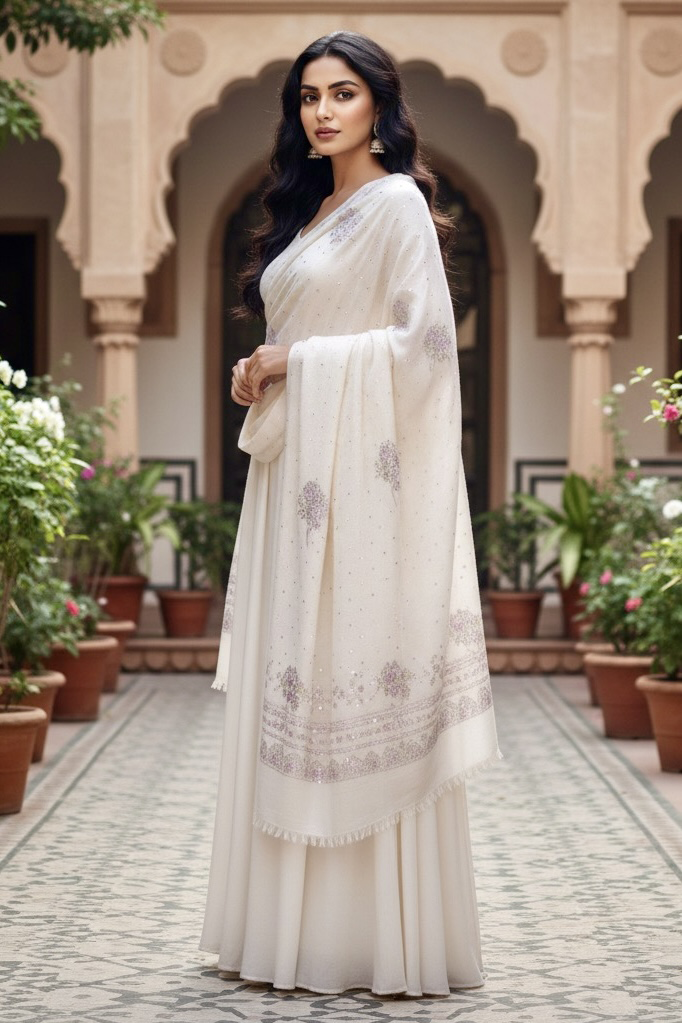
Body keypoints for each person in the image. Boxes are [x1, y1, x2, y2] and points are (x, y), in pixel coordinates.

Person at [200, 30, 500, 997]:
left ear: (379, 104)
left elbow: (421, 349)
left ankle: (371, 940)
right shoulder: (315, 211)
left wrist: (299, 361)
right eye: (307, 97)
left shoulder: (397, 204)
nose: (322, 112)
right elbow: (309, 334)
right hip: (294, 488)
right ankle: (281, 934)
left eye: (342, 94)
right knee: (295, 672)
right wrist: (262, 366)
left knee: (353, 667)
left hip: (363, 492)